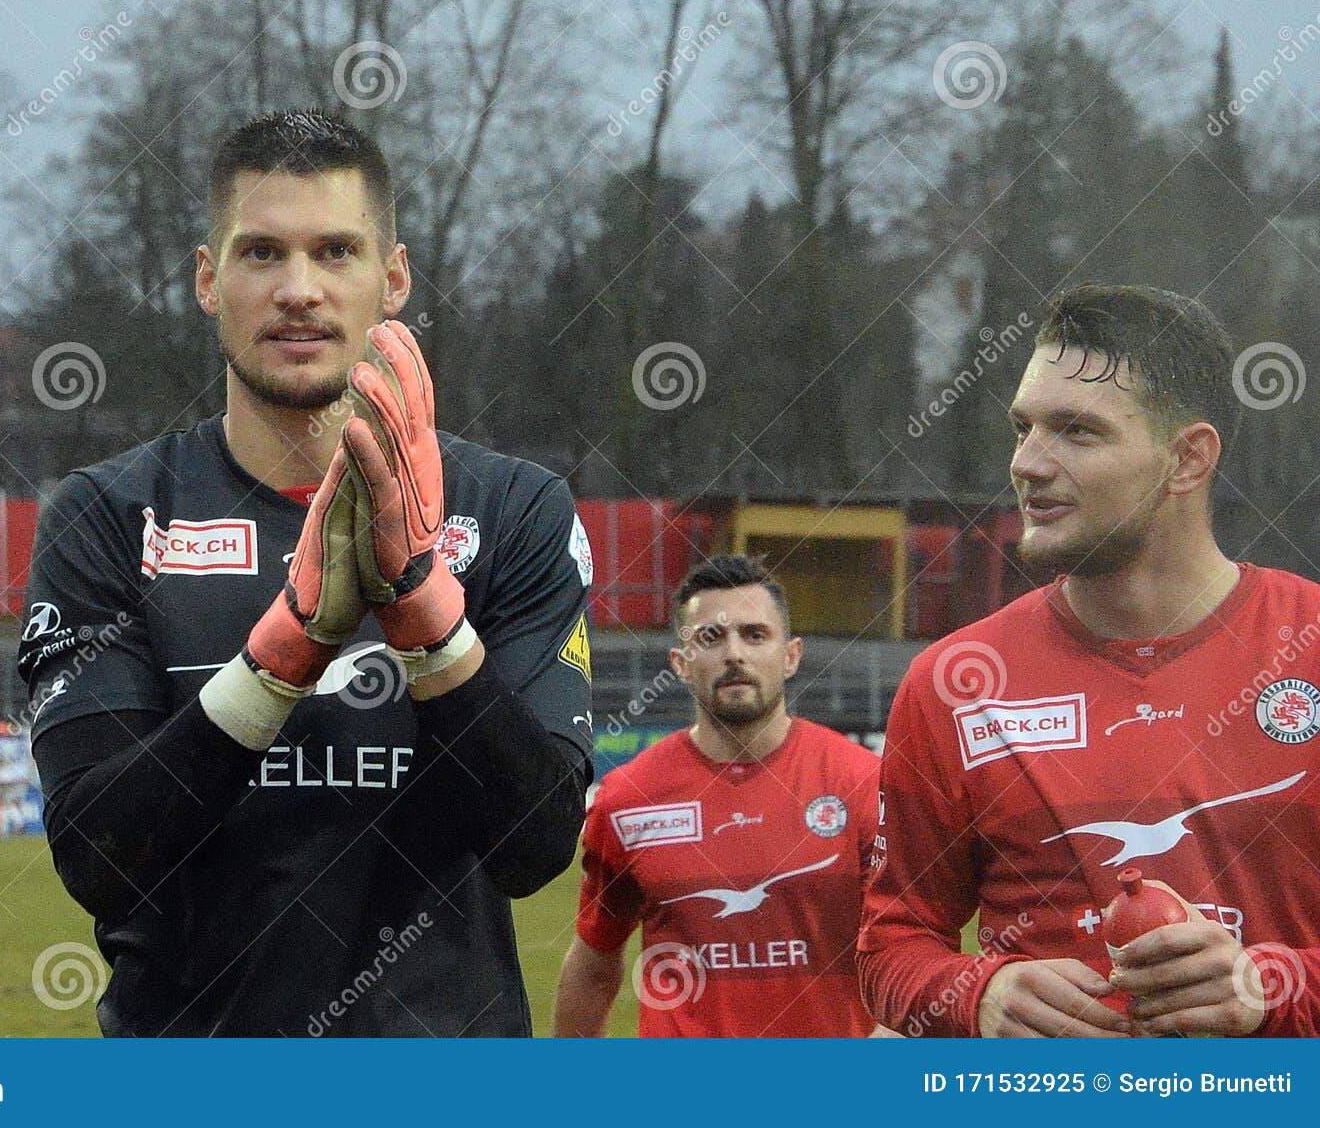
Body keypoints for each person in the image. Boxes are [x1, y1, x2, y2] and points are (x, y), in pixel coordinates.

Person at [19, 110, 593, 1036]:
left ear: (393, 276)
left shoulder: (513, 510)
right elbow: (100, 860)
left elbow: (533, 847)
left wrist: (423, 617)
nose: (298, 290)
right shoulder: (109, 516)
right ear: (207, 280)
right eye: (259, 254)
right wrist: (282, 655)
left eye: (335, 252)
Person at [859, 284, 1320, 1038]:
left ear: (1187, 459)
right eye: (1023, 427)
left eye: (1076, 431)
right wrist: (978, 994)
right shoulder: (955, 685)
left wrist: (1274, 988)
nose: (1028, 464)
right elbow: (890, 945)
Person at [554, 556, 880, 1037]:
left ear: (790, 655)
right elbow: (595, 958)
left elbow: (917, 950)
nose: (734, 655)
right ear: (681, 664)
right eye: (710, 637)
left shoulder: (863, 783)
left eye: (754, 635)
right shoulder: (630, 798)